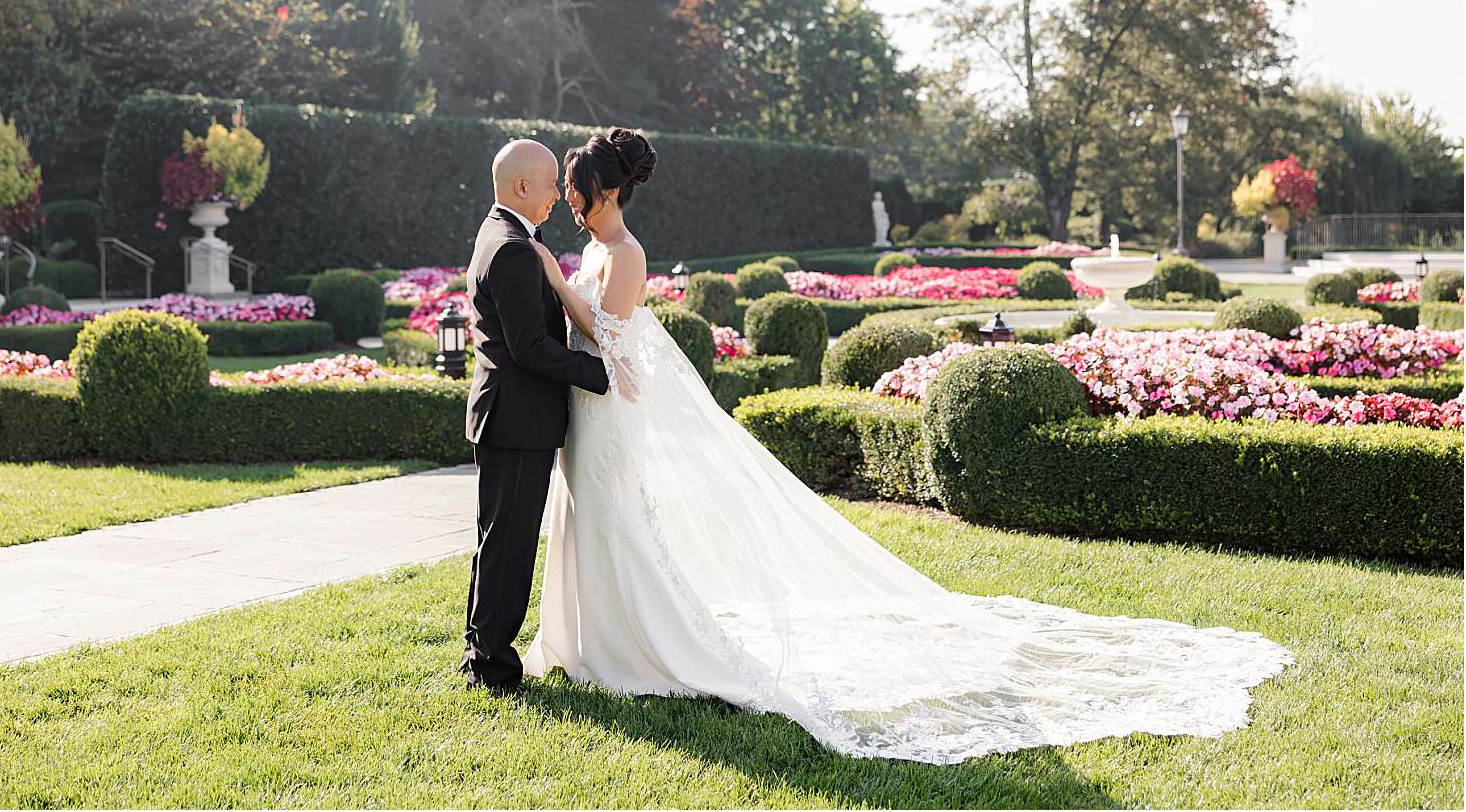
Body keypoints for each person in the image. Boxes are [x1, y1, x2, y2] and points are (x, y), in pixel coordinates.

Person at [520, 127, 1295, 764]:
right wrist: (562, 280)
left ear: (609, 192)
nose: (571, 203)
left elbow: (613, 342)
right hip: (589, 411)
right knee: (594, 519)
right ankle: (591, 644)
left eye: (578, 190)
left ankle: (640, 648)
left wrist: (556, 288)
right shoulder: (592, 252)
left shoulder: (623, 257)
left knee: (620, 521)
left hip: (610, 411)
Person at [458, 139, 624, 695]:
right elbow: (528, 346)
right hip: (516, 419)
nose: (561, 194)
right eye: (552, 183)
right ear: (521, 186)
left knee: (498, 540)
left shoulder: (502, 235)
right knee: (509, 544)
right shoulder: (509, 247)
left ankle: (481, 652)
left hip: (510, 417)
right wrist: (598, 374)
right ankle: (494, 667)